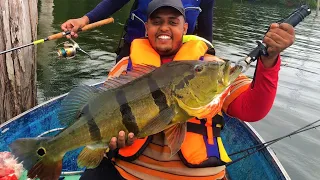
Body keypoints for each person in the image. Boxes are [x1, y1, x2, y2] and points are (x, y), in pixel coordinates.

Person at [80, 0, 295, 179]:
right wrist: (112, 142)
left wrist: (269, 62)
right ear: (146, 28)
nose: (164, 28)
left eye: (172, 22)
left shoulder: (211, 67)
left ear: (185, 28)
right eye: (156, 22)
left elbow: (252, 110)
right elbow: (102, 112)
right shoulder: (125, 68)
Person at [61, 0, 215, 62]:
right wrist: (84, 20)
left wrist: (209, 57)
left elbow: (206, 26)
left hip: (180, 55)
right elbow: (113, 2)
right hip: (135, 52)